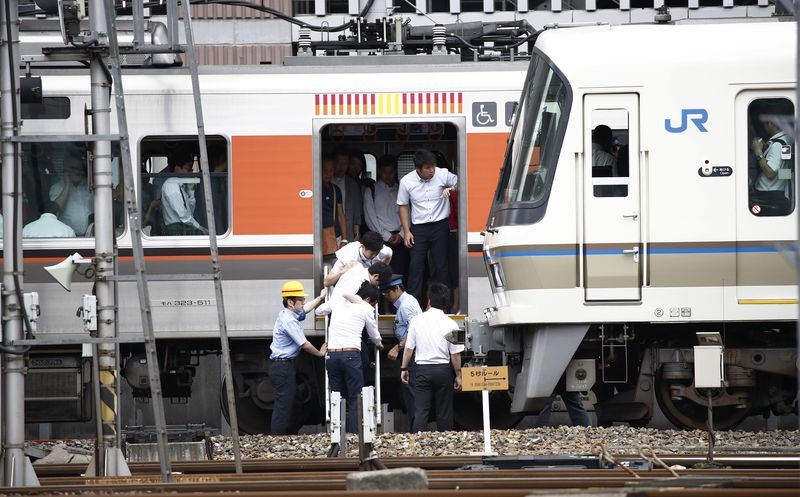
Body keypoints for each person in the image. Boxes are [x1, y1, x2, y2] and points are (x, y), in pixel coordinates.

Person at [400, 282, 464, 432]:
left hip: (422, 370)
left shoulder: (417, 320)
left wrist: (404, 368)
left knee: (421, 409)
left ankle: (418, 442)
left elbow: (409, 348)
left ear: (429, 300)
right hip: (443, 370)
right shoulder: (452, 324)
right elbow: (455, 354)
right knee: (444, 410)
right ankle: (446, 440)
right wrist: (459, 375)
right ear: (446, 302)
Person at [397, 150, 457, 301]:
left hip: (440, 226)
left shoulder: (442, 174)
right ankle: (413, 304)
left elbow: (460, 183)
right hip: (419, 228)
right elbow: (403, 206)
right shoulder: (406, 181)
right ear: (418, 169)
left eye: (433, 167)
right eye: (428, 168)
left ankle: (444, 304)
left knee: (441, 265)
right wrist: (406, 232)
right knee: (416, 265)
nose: (432, 171)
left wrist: (451, 188)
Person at [269, 281, 328, 435]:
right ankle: (278, 438)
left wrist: (320, 298)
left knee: (293, 402)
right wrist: (320, 354)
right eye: (301, 300)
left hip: (283, 366)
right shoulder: (289, 321)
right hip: (283, 367)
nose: (303, 302)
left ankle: (287, 434)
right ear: (290, 302)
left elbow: (305, 310)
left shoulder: (287, 314)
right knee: (284, 405)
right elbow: (305, 344)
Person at [326, 281, 383, 432]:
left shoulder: (338, 304)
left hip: (331, 355)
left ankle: (335, 433)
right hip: (351, 355)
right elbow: (373, 333)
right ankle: (353, 434)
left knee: (336, 396)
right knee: (355, 397)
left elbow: (319, 311)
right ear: (369, 299)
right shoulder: (365, 309)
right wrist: (379, 343)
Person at [383, 274, 422, 428]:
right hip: (410, 353)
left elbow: (415, 332)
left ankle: (416, 429)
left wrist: (397, 347)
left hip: (412, 354)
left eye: (388, 293)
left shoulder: (406, 306)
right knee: (406, 393)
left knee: (411, 394)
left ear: (397, 288)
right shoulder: (406, 302)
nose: (386, 297)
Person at [364, 155, 409, 279]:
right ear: (379, 172)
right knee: (380, 275)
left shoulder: (402, 189)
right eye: (384, 172)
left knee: (399, 273)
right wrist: (386, 236)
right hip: (380, 239)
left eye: (391, 172)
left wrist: (401, 234)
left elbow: (408, 213)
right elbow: (370, 218)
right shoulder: (372, 190)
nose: (388, 175)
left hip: (400, 239)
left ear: (395, 172)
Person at [751, 104, 794, 212]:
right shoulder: (787, 139)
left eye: (764, 124)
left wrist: (758, 151)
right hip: (779, 192)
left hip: (768, 195)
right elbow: (786, 171)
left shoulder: (777, 145)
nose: (764, 127)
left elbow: (770, 173)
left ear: (771, 124)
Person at [317, 261, 392, 316]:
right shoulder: (359, 281)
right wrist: (368, 308)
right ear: (376, 276)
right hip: (339, 315)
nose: (378, 286)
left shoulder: (358, 267)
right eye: (379, 283)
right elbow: (345, 295)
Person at [324, 231, 392, 287]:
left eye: (377, 253)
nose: (374, 256)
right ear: (363, 246)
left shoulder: (384, 250)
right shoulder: (349, 255)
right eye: (372, 253)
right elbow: (327, 282)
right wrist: (343, 271)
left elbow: (389, 254)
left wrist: (381, 268)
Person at [160, 157, 207, 235]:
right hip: (176, 229)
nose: (190, 172)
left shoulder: (181, 186)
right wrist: (199, 227)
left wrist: (190, 191)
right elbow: (182, 214)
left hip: (182, 227)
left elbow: (190, 213)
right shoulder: (171, 185)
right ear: (177, 169)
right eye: (187, 169)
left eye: (191, 170)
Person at [49, 158, 92, 236]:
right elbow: (56, 209)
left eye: (80, 168)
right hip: (67, 237)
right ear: (65, 171)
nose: (78, 171)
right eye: (74, 168)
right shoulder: (57, 188)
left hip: (88, 237)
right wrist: (67, 185)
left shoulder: (88, 187)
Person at [333, 148, 363, 243]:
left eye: (345, 163)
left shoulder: (352, 184)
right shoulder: (325, 181)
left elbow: (356, 211)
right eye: (338, 162)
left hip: (347, 227)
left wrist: (357, 233)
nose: (341, 167)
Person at [322, 156, 348, 255]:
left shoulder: (335, 190)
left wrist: (344, 239)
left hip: (334, 235)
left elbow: (341, 214)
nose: (328, 174)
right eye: (325, 170)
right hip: (317, 235)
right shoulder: (312, 188)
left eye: (331, 170)